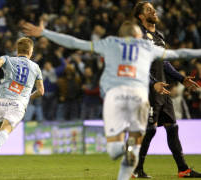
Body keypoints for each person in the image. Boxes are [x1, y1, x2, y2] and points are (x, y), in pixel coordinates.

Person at [22, 21, 201, 180]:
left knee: (115, 150)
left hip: (115, 96)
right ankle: (132, 152)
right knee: (137, 139)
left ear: (121, 35)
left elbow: (76, 43)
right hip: (139, 97)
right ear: (138, 35)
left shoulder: (109, 43)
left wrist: (45, 33)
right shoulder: (147, 47)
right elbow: (180, 53)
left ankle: (125, 152)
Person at [132, 1, 201, 178]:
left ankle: (183, 169)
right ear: (141, 16)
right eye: (148, 10)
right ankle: (135, 168)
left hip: (163, 89)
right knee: (150, 129)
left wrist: (182, 78)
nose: (153, 11)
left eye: (153, 9)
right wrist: (152, 83)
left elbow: (165, 63)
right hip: (149, 90)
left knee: (172, 127)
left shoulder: (160, 36)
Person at [0, 37, 44, 169]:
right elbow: (41, 91)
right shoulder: (35, 67)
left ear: (17, 50)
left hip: (2, 98)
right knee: (6, 128)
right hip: (18, 102)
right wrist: (28, 97)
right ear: (30, 51)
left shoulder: (7, 59)